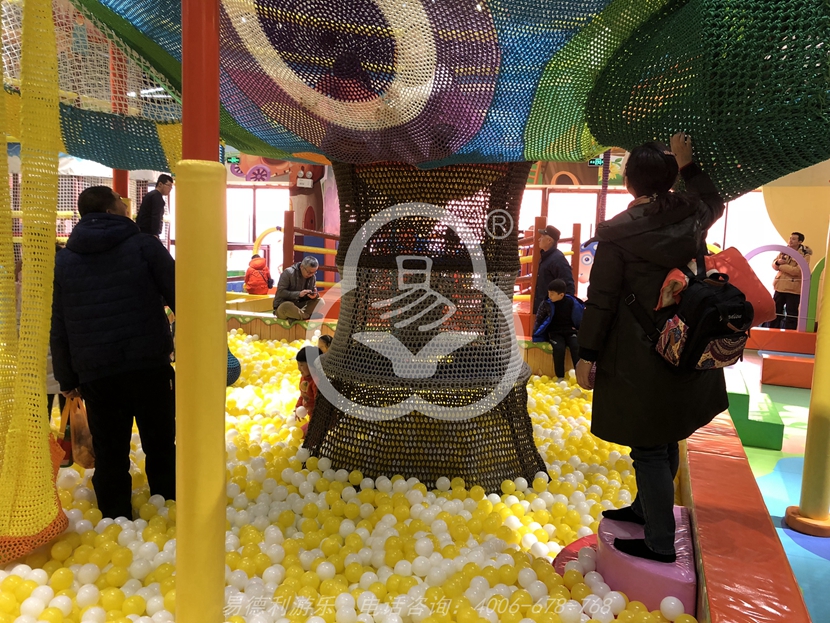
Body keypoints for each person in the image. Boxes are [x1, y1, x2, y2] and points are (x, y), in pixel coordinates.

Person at [575, 133, 727, 563]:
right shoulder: (692, 215)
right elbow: (712, 200)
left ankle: (659, 541)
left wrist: (587, 354)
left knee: (648, 447)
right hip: (683, 342)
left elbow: (602, 300)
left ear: (629, 183)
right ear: (670, 178)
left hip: (637, 352)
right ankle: (646, 510)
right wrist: (688, 164)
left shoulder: (618, 234)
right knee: (667, 432)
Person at [51, 186, 176, 519]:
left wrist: (67, 378)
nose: (125, 204)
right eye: (120, 201)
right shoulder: (144, 246)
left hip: (97, 371)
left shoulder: (65, 261)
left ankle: (116, 517)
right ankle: (169, 508)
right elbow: (181, 293)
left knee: (109, 450)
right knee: (160, 442)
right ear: (110, 211)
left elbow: (59, 323)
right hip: (148, 363)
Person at [533, 279, 579, 381]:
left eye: (552, 294)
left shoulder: (571, 302)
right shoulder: (546, 304)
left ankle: (579, 375)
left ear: (561, 295)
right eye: (549, 293)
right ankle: (560, 377)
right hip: (555, 332)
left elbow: (579, 316)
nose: (549, 296)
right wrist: (536, 335)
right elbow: (539, 319)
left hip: (569, 331)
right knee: (559, 348)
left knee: (576, 346)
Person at [770, 232, 812, 330]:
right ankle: (772, 331)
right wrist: (777, 262)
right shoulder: (784, 251)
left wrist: (781, 266)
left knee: (791, 314)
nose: (790, 241)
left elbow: (797, 271)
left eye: (793, 239)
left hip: (793, 289)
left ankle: (790, 333)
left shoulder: (804, 255)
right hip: (779, 287)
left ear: (800, 241)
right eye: (790, 238)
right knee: (775, 312)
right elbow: (774, 265)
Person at [533, 225, 575, 313]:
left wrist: (563, 310)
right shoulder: (546, 257)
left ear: (549, 240)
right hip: (546, 308)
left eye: (542, 237)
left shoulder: (557, 259)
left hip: (552, 309)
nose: (539, 239)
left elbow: (568, 285)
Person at [274, 256, 321, 320]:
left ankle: (299, 316)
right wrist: (298, 294)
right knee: (286, 306)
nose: (311, 275)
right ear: (301, 267)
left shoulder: (312, 277)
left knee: (320, 302)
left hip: (299, 306)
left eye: (314, 272)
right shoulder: (288, 273)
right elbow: (280, 292)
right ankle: (307, 316)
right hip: (284, 305)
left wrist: (315, 295)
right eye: (309, 272)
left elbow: (313, 293)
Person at [293, 346, 319, 436]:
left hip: (320, 419)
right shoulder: (304, 378)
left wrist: (310, 408)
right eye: (298, 364)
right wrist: (298, 407)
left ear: (312, 365)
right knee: (300, 434)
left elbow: (320, 404)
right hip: (312, 418)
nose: (299, 368)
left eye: (301, 365)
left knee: (307, 436)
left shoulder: (316, 381)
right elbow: (303, 395)